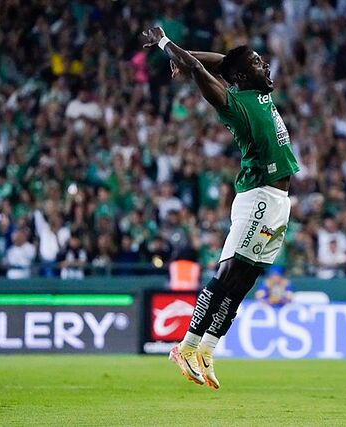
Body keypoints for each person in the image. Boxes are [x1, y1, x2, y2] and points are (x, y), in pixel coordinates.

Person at [143, 26, 299, 389]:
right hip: (257, 197)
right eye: (259, 64)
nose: (267, 68)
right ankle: (186, 345)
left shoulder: (257, 92)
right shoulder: (235, 102)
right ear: (245, 76)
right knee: (229, 274)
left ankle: (208, 349)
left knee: (245, 280)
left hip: (278, 202)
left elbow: (222, 63)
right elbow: (203, 71)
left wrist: (190, 54)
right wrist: (168, 46)